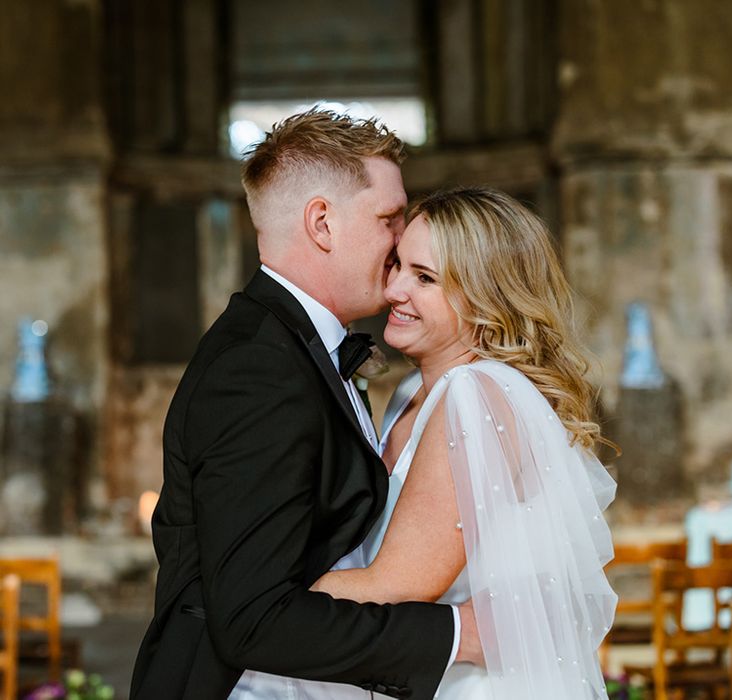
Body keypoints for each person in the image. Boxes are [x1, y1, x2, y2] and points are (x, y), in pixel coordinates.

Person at [129, 111, 481, 700]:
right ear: (322, 223)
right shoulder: (259, 370)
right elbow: (253, 618)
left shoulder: (291, 348)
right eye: (389, 218)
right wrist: (455, 634)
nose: (402, 242)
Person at [296, 187, 618, 699]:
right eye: (398, 264)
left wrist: (262, 604)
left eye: (424, 278)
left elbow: (397, 583)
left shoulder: (476, 394)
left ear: (487, 295)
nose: (395, 289)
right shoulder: (411, 391)